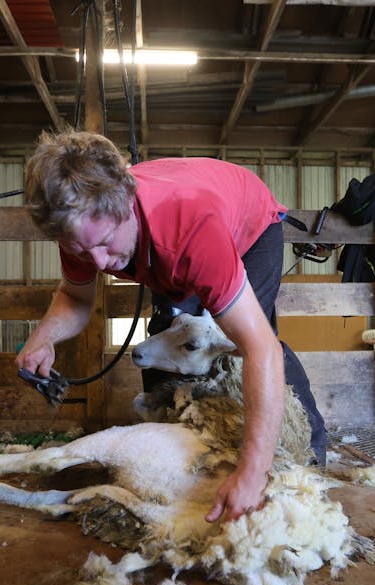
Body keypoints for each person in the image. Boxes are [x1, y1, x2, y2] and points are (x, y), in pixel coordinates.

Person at [16, 129, 326, 523]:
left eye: (106, 242)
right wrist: (44, 338)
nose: (98, 263)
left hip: (248, 226)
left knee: (242, 339)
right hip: (168, 239)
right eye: (81, 250)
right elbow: (77, 298)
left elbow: (257, 348)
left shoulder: (190, 231)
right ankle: (179, 458)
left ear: (126, 204)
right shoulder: (80, 224)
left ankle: (310, 458)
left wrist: (253, 472)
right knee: (168, 329)